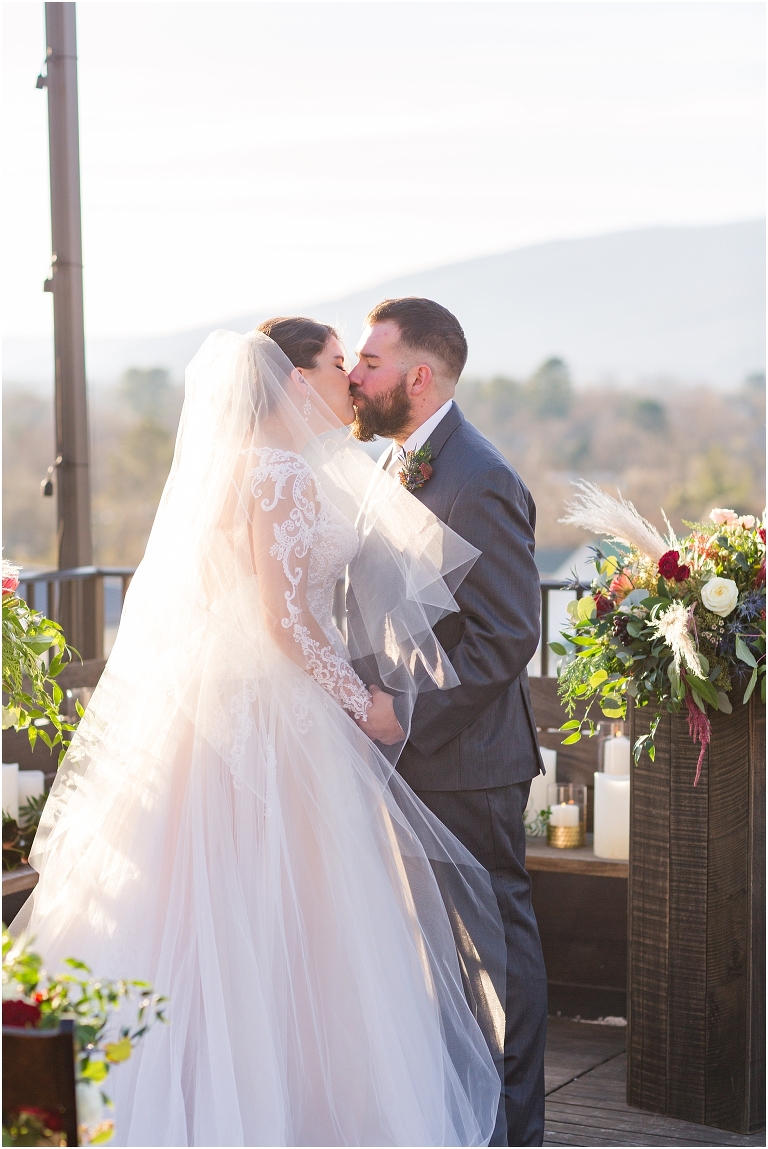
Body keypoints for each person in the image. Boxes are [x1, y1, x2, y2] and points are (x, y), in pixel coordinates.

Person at [13, 320, 506, 1147]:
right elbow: (286, 621)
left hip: (216, 709)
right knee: (289, 911)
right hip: (276, 714)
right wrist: (361, 700)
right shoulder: (282, 472)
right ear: (294, 379)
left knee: (212, 905)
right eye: (338, 364)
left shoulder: (240, 467)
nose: (351, 379)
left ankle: (180, 1094)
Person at [347, 297, 548, 1148]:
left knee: (495, 959)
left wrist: (405, 712)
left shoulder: (480, 476)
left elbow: (508, 634)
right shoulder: (393, 463)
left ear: (419, 377)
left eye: (371, 363)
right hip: (409, 761)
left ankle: (512, 1133)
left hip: (468, 764)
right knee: (439, 963)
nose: (355, 377)